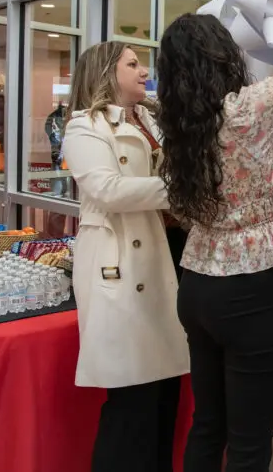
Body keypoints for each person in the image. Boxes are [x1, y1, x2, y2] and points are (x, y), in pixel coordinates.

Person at [155, 0, 273, 472]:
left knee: (208, 426)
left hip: (197, 288)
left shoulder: (179, 126)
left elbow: (188, 209)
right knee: (250, 443)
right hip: (252, 294)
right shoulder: (246, 110)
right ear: (221, 56)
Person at [62, 42, 188, 472]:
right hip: (121, 262)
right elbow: (107, 191)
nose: (143, 70)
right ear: (105, 72)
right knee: (132, 395)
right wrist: (183, 188)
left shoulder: (152, 117)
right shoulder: (85, 126)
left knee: (165, 390)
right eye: (132, 64)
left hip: (167, 253)